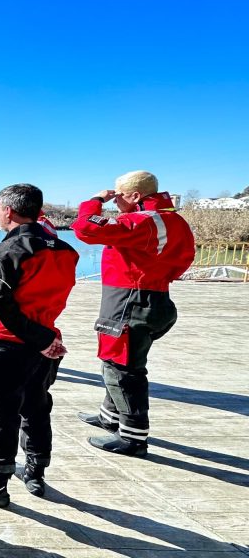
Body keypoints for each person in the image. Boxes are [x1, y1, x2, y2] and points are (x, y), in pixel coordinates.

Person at [0, 184, 78, 508]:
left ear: (7, 211)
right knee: (37, 407)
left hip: (5, 344)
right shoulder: (66, 251)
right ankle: (35, 473)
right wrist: (45, 338)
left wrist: (41, 339)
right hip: (46, 340)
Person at [71, 171, 195, 457]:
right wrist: (158, 276)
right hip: (153, 296)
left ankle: (133, 438)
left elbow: (86, 229)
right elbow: (186, 257)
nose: (115, 201)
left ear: (136, 195)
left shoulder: (142, 220)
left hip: (130, 300)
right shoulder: (174, 220)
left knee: (121, 367)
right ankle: (109, 417)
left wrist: (95, 201)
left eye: (119, 195)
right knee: (120, 360)